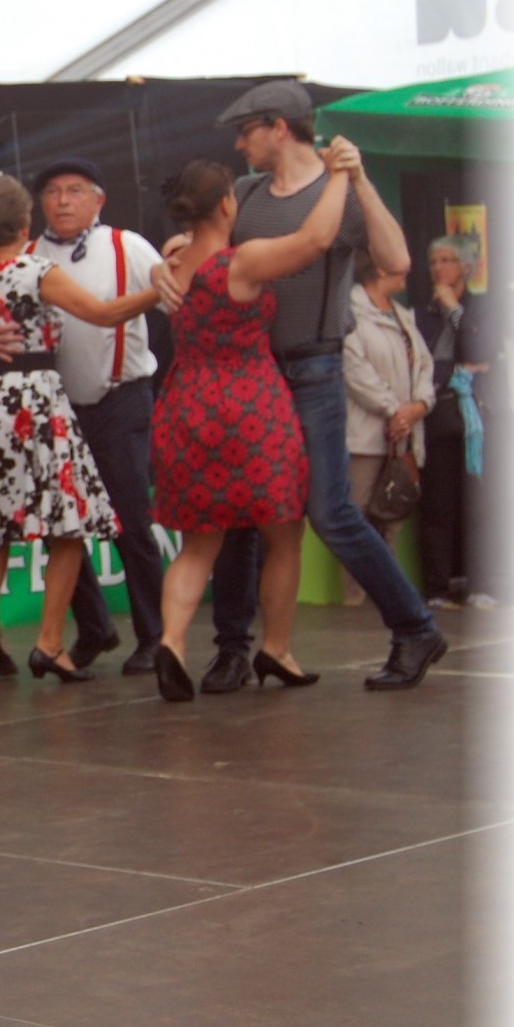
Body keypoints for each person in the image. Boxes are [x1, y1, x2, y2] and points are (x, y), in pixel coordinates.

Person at [155, 81, 446, 692]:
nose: (240, 145)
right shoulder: (244, 194)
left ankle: (415, 627)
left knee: (330, 511)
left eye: (247, 132)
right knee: (240, 513)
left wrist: (357, 178)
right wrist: (163, 261)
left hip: (313, 367)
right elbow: (198, 243)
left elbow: (397, 260)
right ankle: (234, 650)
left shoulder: (335, 191)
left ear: (278, 128)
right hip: (258, 373)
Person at [0, 158, 168, 676]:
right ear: (29, 215)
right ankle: (75, 633)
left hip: (99, 401)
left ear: (99, 199)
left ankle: (149, 634)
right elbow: (102, 313)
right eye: (52, 192)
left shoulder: (127, 246)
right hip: (45, 407)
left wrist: (167, 280)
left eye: (75, 190)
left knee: (120, 518)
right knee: (63, 524)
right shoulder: (33, 262)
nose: (63, 200)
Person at [149, 156, 356, 700]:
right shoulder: (240, 262)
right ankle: (277, 648)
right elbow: (315, 240)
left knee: (198, 546)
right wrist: (339, 175)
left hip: (186, 408)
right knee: (283, 535)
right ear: (226, 204)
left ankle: (171, 642)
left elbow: (177, 249)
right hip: (250, 408)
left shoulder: (173, 264)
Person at [341, 249, 434, 607]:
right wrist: (396, 411)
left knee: (394, 514)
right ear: (380, 269)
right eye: (400, 264)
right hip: (365, 438)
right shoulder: (349, 313)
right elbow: (355, 372)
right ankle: (355, 599)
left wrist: (419, 406)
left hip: (405, 437)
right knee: (359, 514)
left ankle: (390, 599)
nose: (409, 269)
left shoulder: (403, 315)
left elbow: (424, 366)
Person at [412, 235, 493, 608]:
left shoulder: (482, 309)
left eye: (446, 261)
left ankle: (481, 584)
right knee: (438, 500)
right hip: (436, 411)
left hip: (476, 413)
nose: (438, 268)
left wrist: (453, 309)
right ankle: (438, 586)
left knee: (478, 500)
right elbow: (423, 363)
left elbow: (481, 352)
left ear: (466, 267)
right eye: (434, 262)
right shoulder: (421, 314)